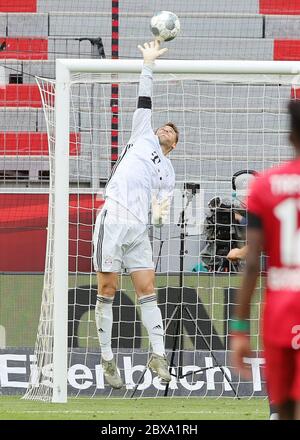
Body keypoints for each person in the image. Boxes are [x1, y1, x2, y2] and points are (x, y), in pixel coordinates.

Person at [93, 40, 178, 389]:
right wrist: (147, 64)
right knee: (108, 288)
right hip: (113, 217)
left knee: (148, 289)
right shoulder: (142, 133)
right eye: (164, 126)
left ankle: (158, 355)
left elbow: (161, 211)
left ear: (174, 144)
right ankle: (107, 359)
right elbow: (145, 99)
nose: (165, 129)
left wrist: (160, 216)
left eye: (172, 131)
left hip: (139, 231)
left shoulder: (169, 173)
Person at [231, 100, 300, 420]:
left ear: (289, 137)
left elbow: (251, 263)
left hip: (279, 314)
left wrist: (240, 329)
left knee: (283, 409)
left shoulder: (264, 185)